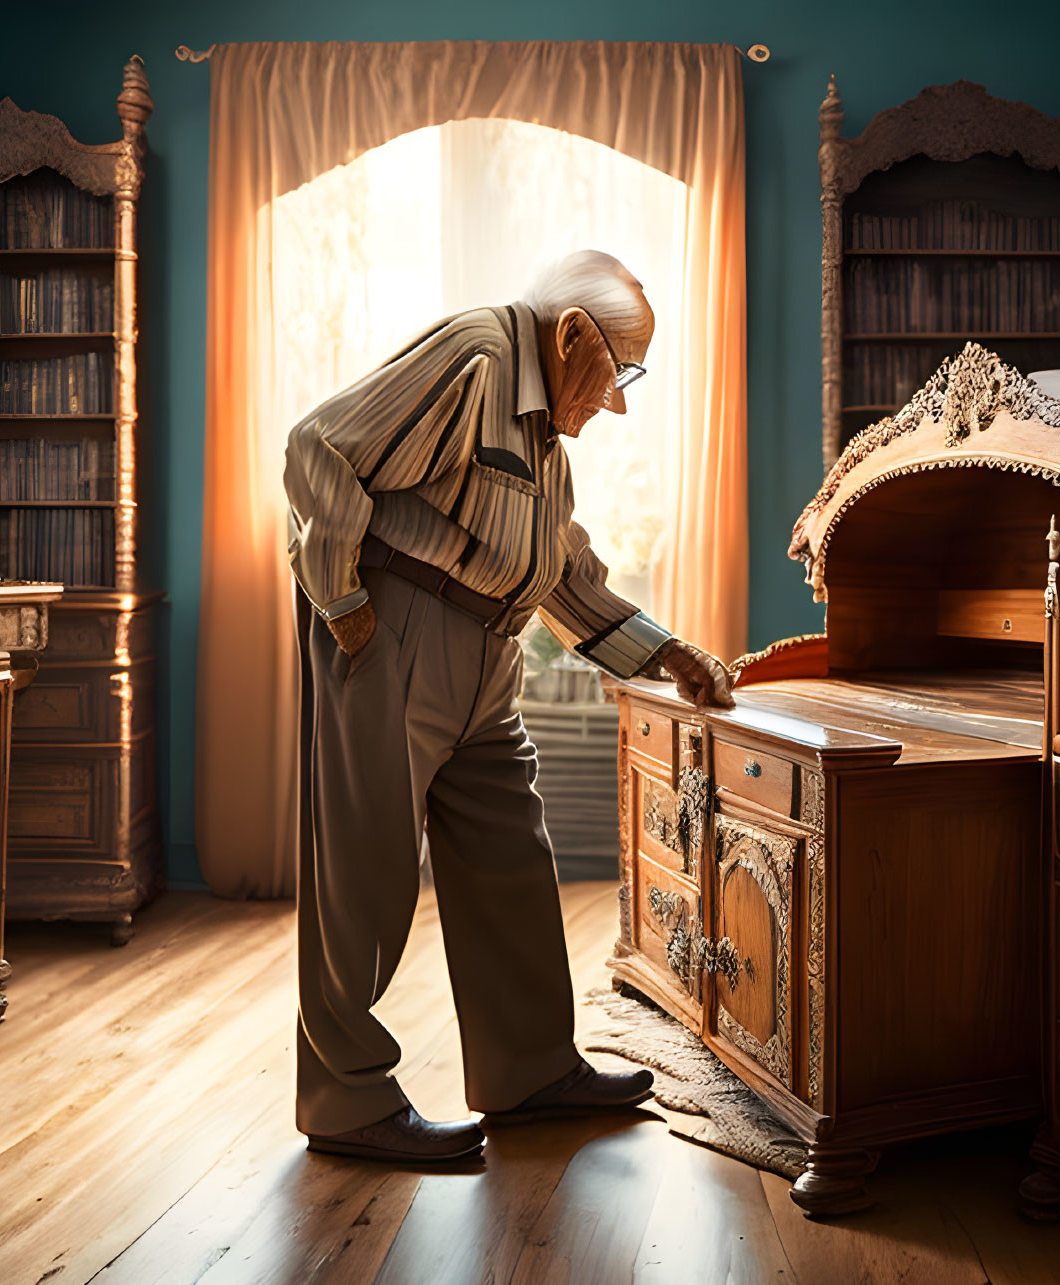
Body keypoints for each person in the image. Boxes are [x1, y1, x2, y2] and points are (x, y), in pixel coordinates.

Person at [284, 250, 734, 1163]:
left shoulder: (541, 433)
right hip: (398, 628)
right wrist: (344, 605)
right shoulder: (477, 355)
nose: (615, 402)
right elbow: (317, 446)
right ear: (570, 335)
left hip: (488, 652)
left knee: (510, 854)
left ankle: (527, 1071)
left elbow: (559, 567)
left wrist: (666, 651)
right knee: (364, 871)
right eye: (619, 371)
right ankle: (344, 1102)